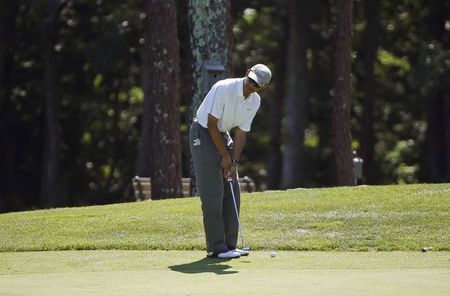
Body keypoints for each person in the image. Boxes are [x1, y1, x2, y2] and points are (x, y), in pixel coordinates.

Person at [189, 64, 272, 259]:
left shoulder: (255, 101)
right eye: (250, 80)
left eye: (256, 85)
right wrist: (224, 156)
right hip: (202, 133)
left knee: (231, 187)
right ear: (246, 74)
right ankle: (216, 248)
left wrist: (233, 160)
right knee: (213, 192)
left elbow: (241, 133)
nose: (251, 86)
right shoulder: (223, 88)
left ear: (263, 87)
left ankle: (229, 245)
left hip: (223, 135)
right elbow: (211, 124)